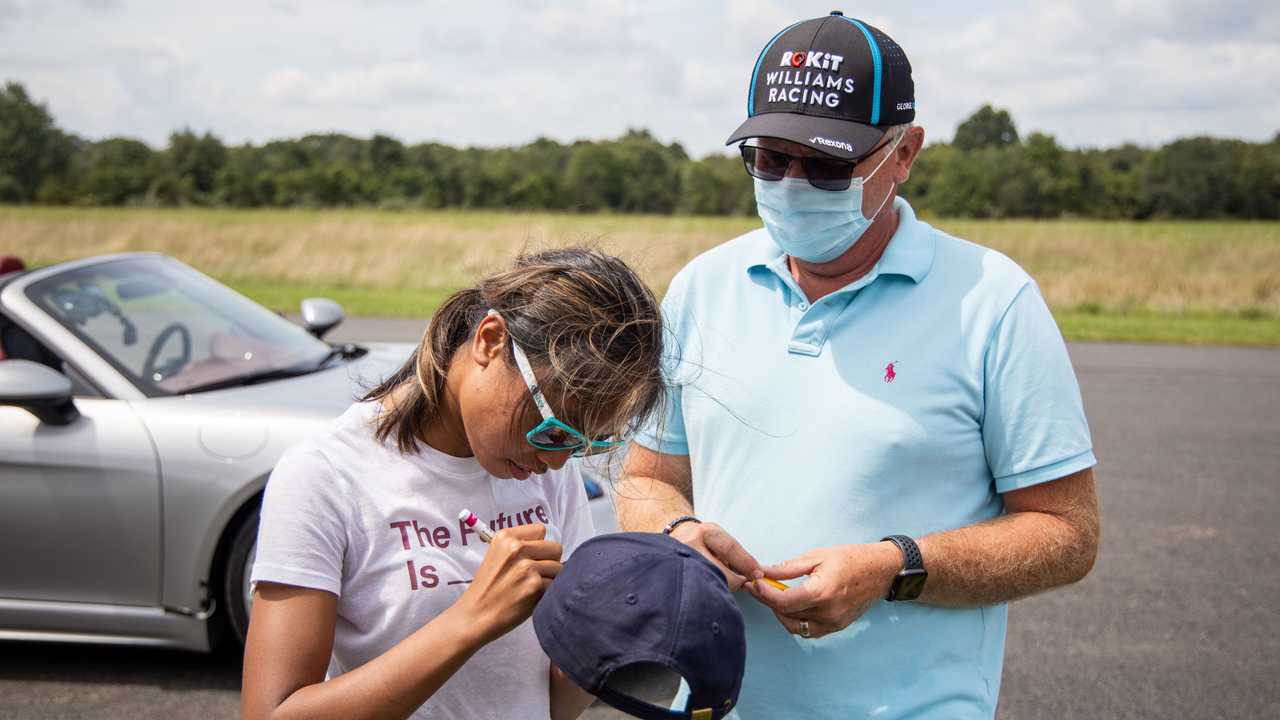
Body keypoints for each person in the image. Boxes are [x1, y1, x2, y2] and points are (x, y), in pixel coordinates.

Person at [615, 12, 1100, 719]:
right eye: (769, 159)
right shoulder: (702, 287)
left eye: (828, 165)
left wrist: (891, 569)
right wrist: (682, 538)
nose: (791, 184)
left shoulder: (993, 303)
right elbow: (646, 479)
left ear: (904, 153)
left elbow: (1068, 534)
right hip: (716, 705)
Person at [242, 248, 666, 720]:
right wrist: (473, 618)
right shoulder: (325, 474)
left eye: (584, 443)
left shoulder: (549, 471)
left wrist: (615, 621)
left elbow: (553, 706)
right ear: (490, 340)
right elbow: (270, 713)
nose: (556, 459)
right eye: (552, 429)